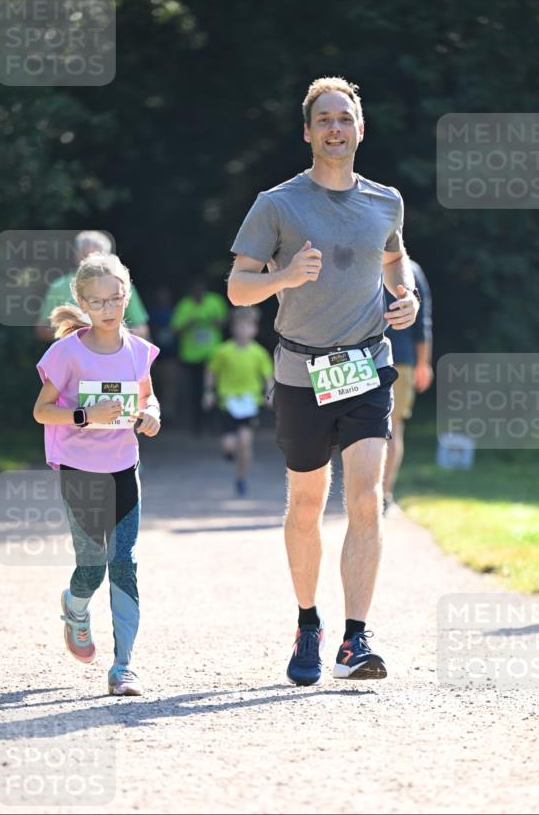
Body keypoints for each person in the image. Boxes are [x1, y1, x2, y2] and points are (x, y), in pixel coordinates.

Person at [228, 76, 420, 686]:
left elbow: (392, 258)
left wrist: (406, 296)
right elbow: (237, 288)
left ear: (360, 129)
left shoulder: (385, 200)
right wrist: (285, 275)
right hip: (300, 373)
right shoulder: (278, 203)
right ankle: (308, 622)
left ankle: (355, 638)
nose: (336, 128)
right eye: (324, 120)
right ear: (308, 132)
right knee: (307, 504)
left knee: (365, 497)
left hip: (366, 365)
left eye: (345, 118)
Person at [33, 252, 161, 697]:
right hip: (79, 471)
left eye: (116, 298)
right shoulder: (66, 353)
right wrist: (86, 415)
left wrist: (151, 415)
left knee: (124, 564)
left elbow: (148, 399)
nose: (109, 309)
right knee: (91, 568)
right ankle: (75, 607)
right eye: (99, 302)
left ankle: (124, 665)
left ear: (127, 296)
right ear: (84, 304)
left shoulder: (140, 351)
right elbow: (41, 411)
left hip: (124, 466)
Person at [202, 305, 274, 496]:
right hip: (228, 403)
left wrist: (269, 395)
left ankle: (242, 478)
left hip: (250, 403)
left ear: (254, 329)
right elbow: (211, 371)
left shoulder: (259, 353)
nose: (244, 331)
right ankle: (228, 452)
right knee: (229, 444)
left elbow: (268, 377)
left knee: (245, 443)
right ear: (233, 328)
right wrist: (209, 392)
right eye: (240, 326)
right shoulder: (223, 351)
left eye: (248, 326)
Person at [35, 231, 150, 342]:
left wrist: (112, 337)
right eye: (86, 256)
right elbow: (42, 329)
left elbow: (141, 329)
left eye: (114, 299)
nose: (91, 262)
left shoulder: (120, 284)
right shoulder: (58, 286)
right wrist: (76, 333)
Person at [383, 259, 434, 513]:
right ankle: (384, 493)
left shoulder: (360, 261)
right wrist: (423, 363)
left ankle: (366, 491)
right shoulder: (412, 271)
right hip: (401, 360)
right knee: (393, 427)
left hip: (362, 358)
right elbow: (422, 325)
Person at [170, 278, 227, 433]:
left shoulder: (215, 301)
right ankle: (197, 426)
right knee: (195, 392)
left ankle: (215, 424)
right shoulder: (184, 305)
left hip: (213, 355)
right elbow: (175, 330)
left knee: (215, 390)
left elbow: (225, 321)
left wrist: (213, 322)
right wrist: (189, 324)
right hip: (191, 357)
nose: (199, 293)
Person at [146, 285, 179, 423]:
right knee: (152, 386)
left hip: (170, 355)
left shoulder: (175, 312)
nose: (162, 298)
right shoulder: (150, 313)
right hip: (152, 356)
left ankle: (168, 415)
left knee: (169, 385)